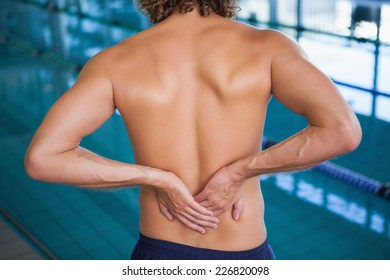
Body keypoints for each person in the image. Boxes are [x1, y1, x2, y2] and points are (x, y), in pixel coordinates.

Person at [24, 0, 362, 260]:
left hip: (160, 252)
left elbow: (44, 158)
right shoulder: (268, 48)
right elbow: (342, 130)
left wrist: (157, 178)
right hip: (244, 252)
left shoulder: (114, 62)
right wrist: (239, 171)